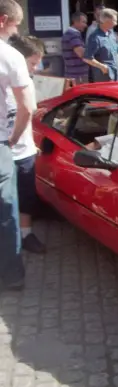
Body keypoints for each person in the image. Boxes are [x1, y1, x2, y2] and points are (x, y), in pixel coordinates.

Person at [0, 0, 33, 291]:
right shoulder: (10, 56)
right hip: (1, 141)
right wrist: (12, 139)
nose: (17, 29)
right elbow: (27, 107)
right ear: (2, 21)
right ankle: (11, 276)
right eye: (15, 23)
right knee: (6, 211)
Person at [7, 35, 46, 253]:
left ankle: (26, 234)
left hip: (24, 152)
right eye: (33, 62)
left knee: (26, 196)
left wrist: (30, 142)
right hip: (7, 150)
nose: (37, 67)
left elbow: (26, 114)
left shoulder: (29, 83)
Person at [84, 8, 118, 82]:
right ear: (106, 21)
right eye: (114, 21)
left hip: (116, 75)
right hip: (104, 78)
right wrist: (102, 67)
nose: (116, 23)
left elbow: (117, 52)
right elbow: (87, 58)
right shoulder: (95, 37)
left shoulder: (111, 35)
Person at [61, 11, 89, 85]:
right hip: (77, 77)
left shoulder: (71, 34)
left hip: (74, 75)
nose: (85, 25)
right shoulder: (73, 34)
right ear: (75, 22)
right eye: (83, 22)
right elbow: (81, 53)